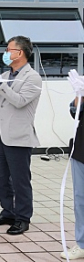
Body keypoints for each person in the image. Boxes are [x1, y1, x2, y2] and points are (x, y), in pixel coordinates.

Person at [0, 35, 41, 235]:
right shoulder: (7, 74)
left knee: (20, 180)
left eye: (8, 50)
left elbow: (20, 101)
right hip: (1, 134)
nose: (5, 53)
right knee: (1, 178)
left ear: (20, 53)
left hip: (19, 136)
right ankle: (8, 211)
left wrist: (0, 84)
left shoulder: (32, 77)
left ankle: (23, 218)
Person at [64, 70, 84, 260]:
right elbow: (74, 112)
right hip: (81, 150)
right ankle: (82, 243)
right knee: (80, 199)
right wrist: (79, 94)